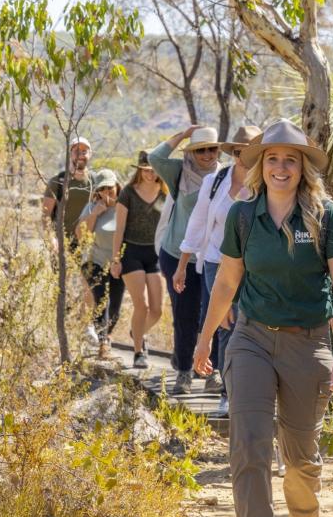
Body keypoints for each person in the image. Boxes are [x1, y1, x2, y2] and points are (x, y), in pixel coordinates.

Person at [194, 119, 333, 517]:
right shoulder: (243, 216)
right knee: (248, 446)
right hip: (249, 339)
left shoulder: (326, 217)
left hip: (308, 343)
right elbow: (227, 282)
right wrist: (205, 340)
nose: (281, 167)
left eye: (290, 159)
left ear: (303, 167)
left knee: (300, 457)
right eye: (272, 159)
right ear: (260, 166)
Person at [173, 125, 261, 416]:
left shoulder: (265, 184)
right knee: (226, 323)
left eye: (250, 151)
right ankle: (227, 394)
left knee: (252, 325)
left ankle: (253, 390)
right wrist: (183, 265)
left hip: (254, 265)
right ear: (233, 152)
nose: (243, 156)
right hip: (216, 261)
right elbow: (198, 223)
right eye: (239, 151)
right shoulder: (215, 181)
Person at [149, 125, 220, 395]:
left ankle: (213, 372)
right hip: (177, 255)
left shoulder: (224, 176)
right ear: (191, 152)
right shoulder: (180, 172)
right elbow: (155, 158)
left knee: (213, 315)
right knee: (184, 315)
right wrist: (183, 134)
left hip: (211, 257)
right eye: (200, 150)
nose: (207, 154)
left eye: (212, 149)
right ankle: (184, 372)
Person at [111, 151, 166, 369]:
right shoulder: (128, 193)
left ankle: (137, 332)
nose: (150, 174)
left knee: (157, 310)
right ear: (139, 171)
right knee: (141, 306)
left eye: (154, 170)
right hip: (131, 252)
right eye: (146, 170)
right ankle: (138, 352)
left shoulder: (165, 193)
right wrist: (116, 259)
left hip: (155, 253)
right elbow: (119, 228)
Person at [42, 135, 98, 343]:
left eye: (84, 150)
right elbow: (45, 216)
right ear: (70, 154)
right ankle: (60, 329)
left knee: (89, 284)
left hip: (87, 241)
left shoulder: (95, 182)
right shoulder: (58, 181)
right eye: (76, 150)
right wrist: (52, 240)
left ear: (90, 154)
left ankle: (86, 326)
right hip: (62, 241)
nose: (80, 154)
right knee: (62, 287)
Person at [76, 169, 125, 359]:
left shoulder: (124, 207)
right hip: (94, 260)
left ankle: (107, 336)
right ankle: (103, 343)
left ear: (117, 186)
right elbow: (81, 235)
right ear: (97, 191)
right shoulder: (91, 207)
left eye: (110, 187)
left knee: (115, 306)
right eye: (102, 189)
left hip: (118, 262)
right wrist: (95, 214)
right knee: (101, 301)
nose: (107, 192)